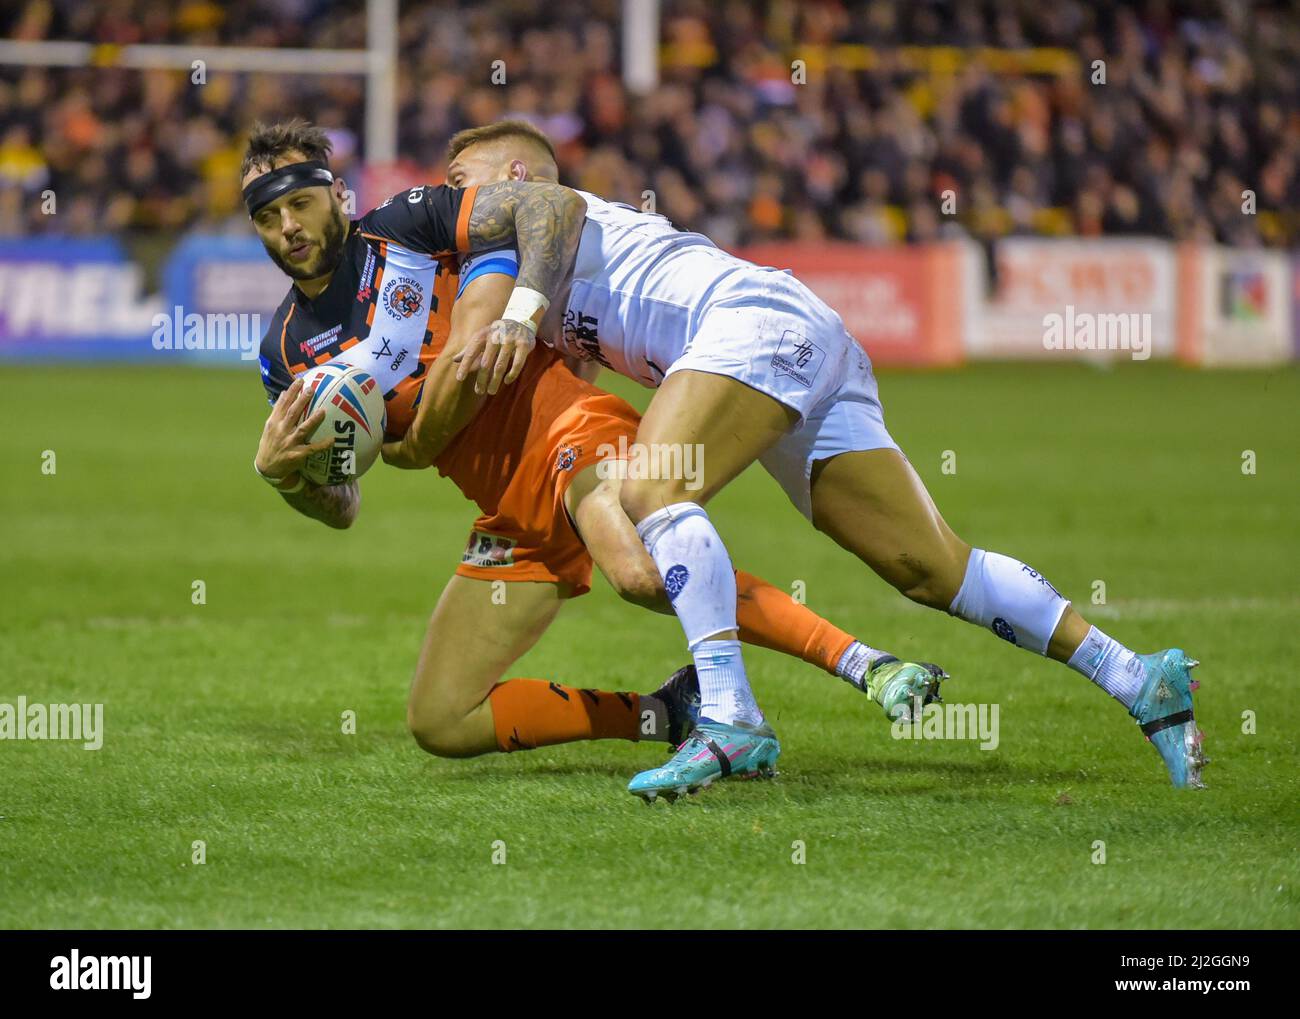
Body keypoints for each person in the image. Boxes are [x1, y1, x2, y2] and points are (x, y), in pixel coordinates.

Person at [439, 120, 1207, 797]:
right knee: (932, 568)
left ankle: (731, 717)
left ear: (514, 177)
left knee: (654, 489)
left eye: (459, 184)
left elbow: (554, 207)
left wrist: (518, 316)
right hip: (797, 334)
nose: (450, 204)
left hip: (748, 325)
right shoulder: (537, 269)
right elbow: (578, 381)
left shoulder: (543, 209)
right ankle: (1138, 675)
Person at [243, 119, 946, 785]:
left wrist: (499, 342)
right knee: (441, 718)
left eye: (300, 205)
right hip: (508, 508)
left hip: (571, 432)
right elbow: (342, 503)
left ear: (338, 193)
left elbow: (545, 211)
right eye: (269, 220)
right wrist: (282, 477)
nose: (289, 229)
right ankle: (667, 711)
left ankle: (866, 664)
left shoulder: (408, 225)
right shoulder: (282, 353)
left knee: (640, 572)